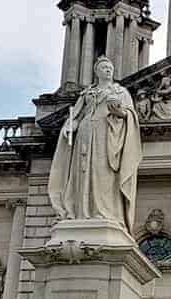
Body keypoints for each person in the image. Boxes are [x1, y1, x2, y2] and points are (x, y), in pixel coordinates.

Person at [46, 57, 142, 232]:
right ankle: (82, 211)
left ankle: (105, 212)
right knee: (83, 173)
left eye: (110, 68)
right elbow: (77, 115)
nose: (108, 70)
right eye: (104, 67)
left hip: (107, 136)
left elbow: (129, 113)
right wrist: (69, 127)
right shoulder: (87, 93)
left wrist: (119, 112)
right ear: (97, 72)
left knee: (103, 173)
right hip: (85, 133)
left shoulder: (121, 92)